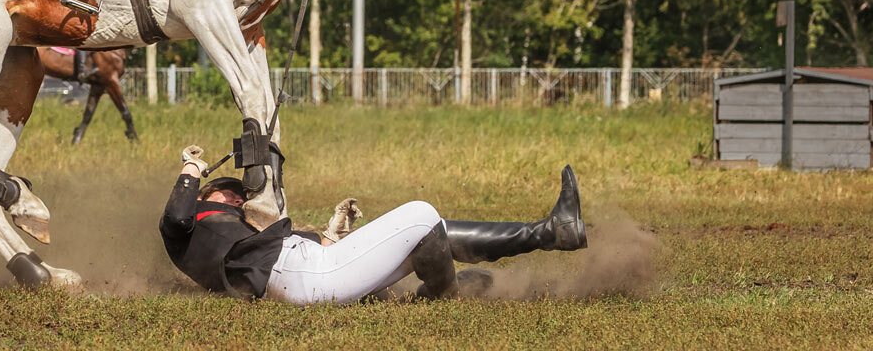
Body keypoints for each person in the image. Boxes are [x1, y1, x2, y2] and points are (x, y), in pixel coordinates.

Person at [159, 145, 589, 303]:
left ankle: (549, 233)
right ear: (202, 197)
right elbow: (175, 215)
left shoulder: (230, 231)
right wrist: (191, 168)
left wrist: (332, 232)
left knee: (426, 232)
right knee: (421, 214)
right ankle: (446, 292)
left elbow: (299, 256)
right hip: (302, 275)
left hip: (306, 269)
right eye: (226, 192)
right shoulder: (188, 222)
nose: (235, 197)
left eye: (238, 193)